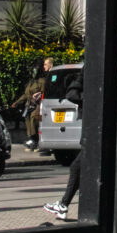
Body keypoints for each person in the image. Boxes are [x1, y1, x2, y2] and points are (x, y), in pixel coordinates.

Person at [43, 71, 83, 220]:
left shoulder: (88, 72)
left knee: (77, 168)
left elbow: (72, 95)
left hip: (92, 135)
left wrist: (78, 81)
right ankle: (63, 205)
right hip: (93, 135)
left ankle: (63, 205)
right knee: (77, 168)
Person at [21, 56, 53, 150]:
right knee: (30, 116)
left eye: (45, 64)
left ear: (50, 65)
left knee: (35, 117)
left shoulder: (50, 76)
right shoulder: (46, 76)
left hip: (46, 102)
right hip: (42, 101)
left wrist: (41, 94)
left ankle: (36, 140)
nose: (44, 66)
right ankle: (34, 139)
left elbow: (48, 89)